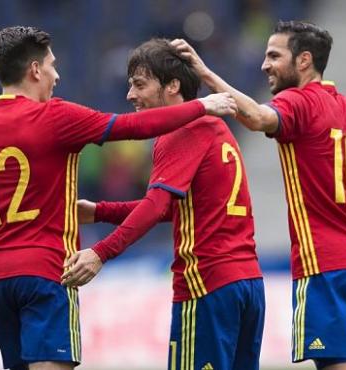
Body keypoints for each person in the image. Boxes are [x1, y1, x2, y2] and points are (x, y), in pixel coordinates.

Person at [171, 20, 346, 370]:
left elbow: (258, 117)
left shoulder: (297, 103)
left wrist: (206, 74)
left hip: (325, 265)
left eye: (274, 55)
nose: (265, 65)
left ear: (304, 60)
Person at [0, 26, 236, 370]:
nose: (57, 74)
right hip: (48, 270)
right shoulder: (55, 116)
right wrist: (202, 105)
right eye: (52, 65)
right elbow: (134, 128)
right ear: (35, 70)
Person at [62, 38, 265, 370]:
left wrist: (101, 252)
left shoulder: (180, 130)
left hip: (206, 284)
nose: (130, 95)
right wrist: (99, 211)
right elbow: (174, 207)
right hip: (247, 284)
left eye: (140, 85)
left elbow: (156, 204)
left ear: (172, 86)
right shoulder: (216, 128)